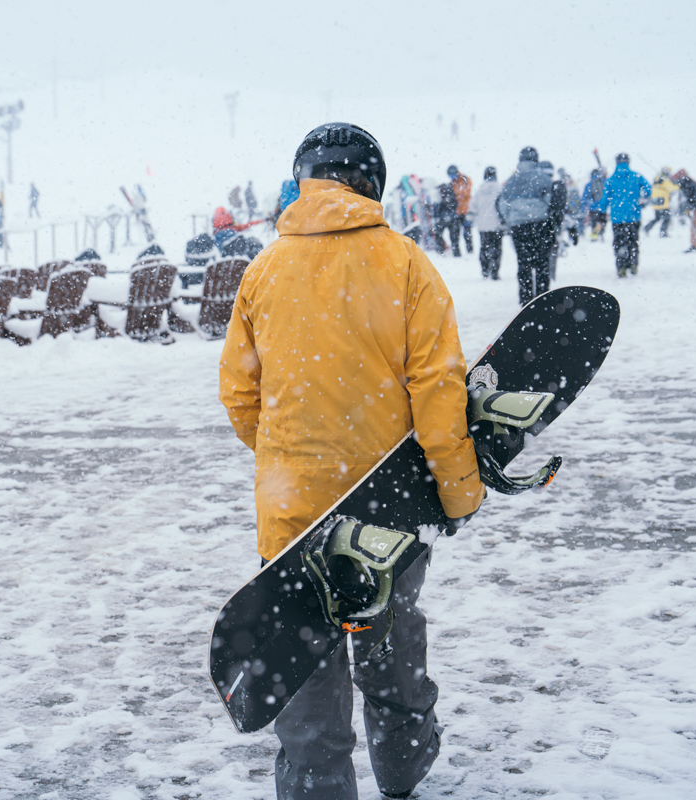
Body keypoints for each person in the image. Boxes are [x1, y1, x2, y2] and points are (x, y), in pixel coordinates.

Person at [219, 122, 485, 800]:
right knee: (390, 636)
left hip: (292, 513)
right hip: (387, 507)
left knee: (306, 664)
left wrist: (291, 459)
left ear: (305, 177)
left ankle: (315, 786)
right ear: (373, 184)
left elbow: (239, 393)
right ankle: (402, 766)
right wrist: (456, 493)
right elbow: (438, 392)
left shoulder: (263, 270)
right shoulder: (406, 265)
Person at [498, 146, 556, 304]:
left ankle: (526, 300)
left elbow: (503, 205)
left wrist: (510, 220)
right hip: (540, 224)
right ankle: (543, 299)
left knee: (523, 263)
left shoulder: (511, 181)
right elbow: (550, 201)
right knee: (542, 263)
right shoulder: (543, 178)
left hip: (518, 226)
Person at [603, 153, 651, 277]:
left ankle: (621, 267)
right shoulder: (636, 176)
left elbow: (604, 198)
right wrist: (642, 198)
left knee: (619, 242)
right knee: (633, 241)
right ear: (628, 162)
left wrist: (601, 211)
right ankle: (633, 264)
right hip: (634, 216)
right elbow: (649, 189)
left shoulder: (611, 180)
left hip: (617, 217)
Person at [468, 166, 504, 279]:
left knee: (484, 247)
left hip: (482, 225)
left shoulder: (479, 190)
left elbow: (473, 207)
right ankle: (495, 271)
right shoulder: (500, 189)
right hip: (496, 225)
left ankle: (485, 270)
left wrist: (469, 220)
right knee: (497, 248)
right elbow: (504, 206)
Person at [644, 167, 678, 237]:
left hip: (656, 203)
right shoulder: (665, 180)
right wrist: (678, 184)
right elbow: (673, 188)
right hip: (663, 204)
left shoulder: (656, 179)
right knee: (667, 218)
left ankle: (647, 228)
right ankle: (663, 233)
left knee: (657, 218)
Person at [432, 181, 461, 256]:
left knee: (438, 234)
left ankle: (440, 251)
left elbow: (436, 207)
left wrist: (436, 217)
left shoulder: (438, 195)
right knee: (454, 237)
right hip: (452, 218)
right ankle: (456, 252)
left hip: (442, 219)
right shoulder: (452, 193)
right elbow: (456, 205)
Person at [449, 165, 473, 254]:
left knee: (467, 233)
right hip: (457, 211)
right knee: (455, 233)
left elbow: (467, 192)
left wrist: (457, 193)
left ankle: (470, 251)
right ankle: (456, 252)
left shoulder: (465, 179)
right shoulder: (452, 182)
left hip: (466, 211)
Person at [583, 167, 608, 241]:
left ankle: (594, 236)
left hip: (593, 207)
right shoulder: (603, 181)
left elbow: (585, 197)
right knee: (602, 221)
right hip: (602, 206)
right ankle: (601, 234)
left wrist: (584, 206)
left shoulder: (588, 184)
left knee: (594, 222)